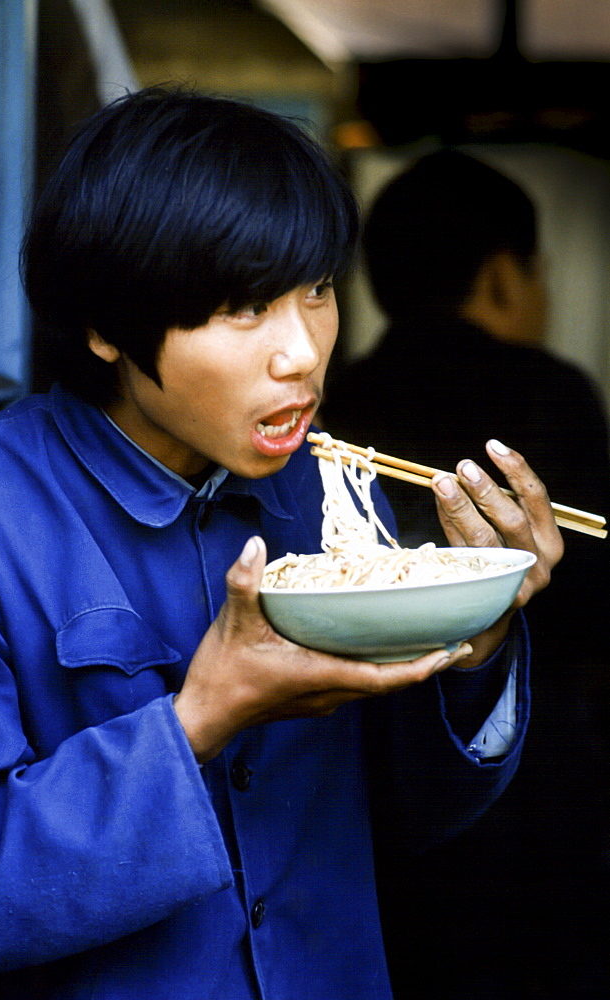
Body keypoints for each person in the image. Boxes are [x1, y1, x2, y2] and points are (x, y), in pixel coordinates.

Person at [0, 90, 561, 1000]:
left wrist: (476, 632)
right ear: (107, 325)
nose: (301, 352)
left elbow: (406, 816)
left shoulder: (319, 490)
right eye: (245, 307)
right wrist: (197, 722)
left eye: (315, 290)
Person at [323, 149, 610, 998]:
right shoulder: (548, 391)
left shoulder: (339, 403)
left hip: (364, 770)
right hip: (535, 777)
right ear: (499, 277)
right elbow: (594, 606)